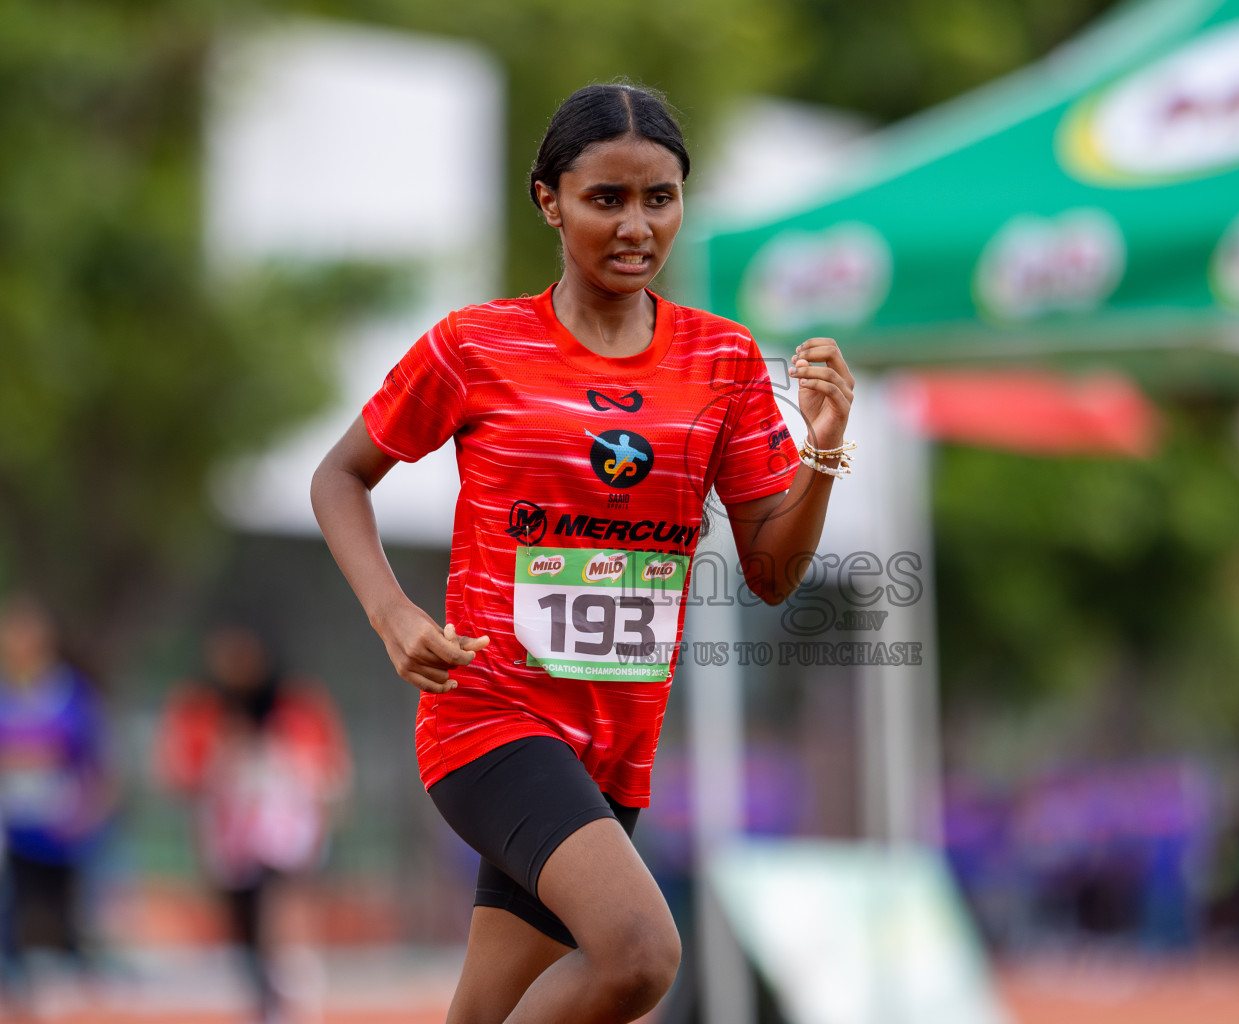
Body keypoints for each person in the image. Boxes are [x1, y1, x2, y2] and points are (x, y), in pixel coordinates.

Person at [310, 81, 855, 1024]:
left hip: (615, 745)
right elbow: (339, 477)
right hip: (489, 720)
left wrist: (824, 450)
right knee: (639, 956)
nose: (637, 225)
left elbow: (771, 573)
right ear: (548, 200)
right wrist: (393, 613)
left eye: (660, 198)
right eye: (607, 199)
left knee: (484, 1010)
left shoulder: (723, 362)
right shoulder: (473, 347)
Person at [157, 625, 351, 1024]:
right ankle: (262, 998)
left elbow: (329, 768)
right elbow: (178, 772)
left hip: (286, 836)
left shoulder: (297, 706)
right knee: (245, 927)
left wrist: (324, 812)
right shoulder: (201, 710)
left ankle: (293, 997)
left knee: (281, 914)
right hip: (230, 841)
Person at [0, 593, 111, 1009]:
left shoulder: (71, 693)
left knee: (64, 924)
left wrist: (93, 811)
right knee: (14, 920)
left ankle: (75, 996)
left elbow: (100, 759)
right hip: (13, 831)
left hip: (63, 830)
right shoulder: (5, 693)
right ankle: (20, 998)